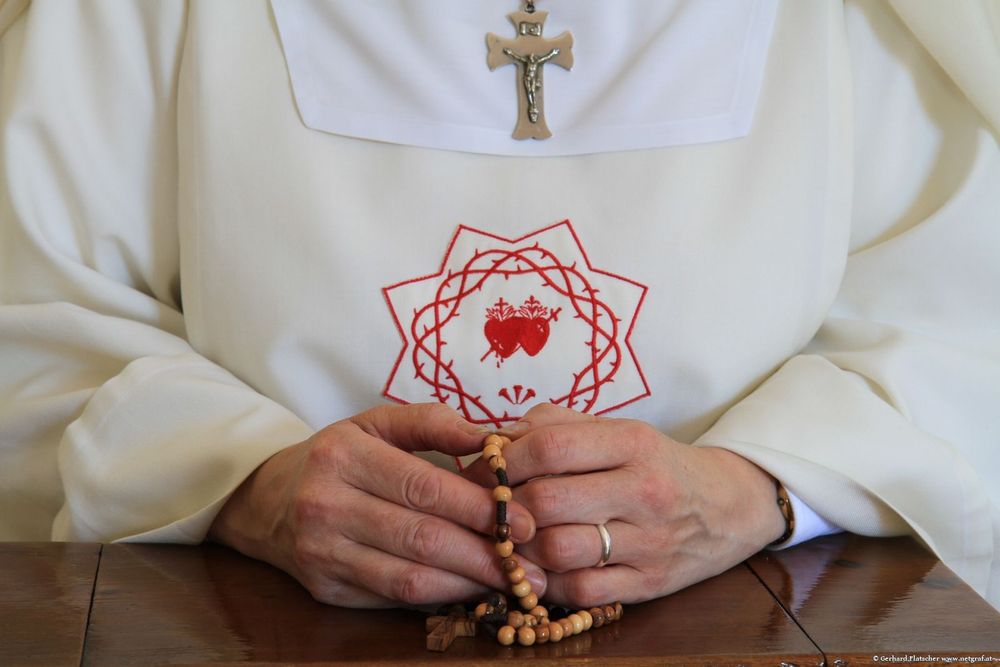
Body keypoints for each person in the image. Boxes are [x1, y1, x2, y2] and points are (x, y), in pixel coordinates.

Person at [1, 0, 997, 613]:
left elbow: (954, 317)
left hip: (756, 616)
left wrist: (761, 489)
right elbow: (34, 314)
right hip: (251, 622)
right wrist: (242, 483)